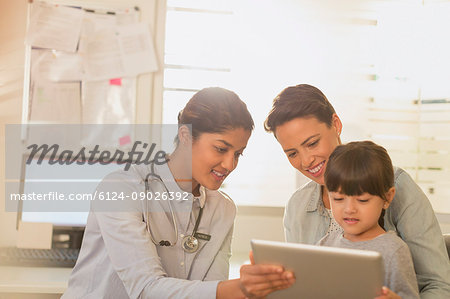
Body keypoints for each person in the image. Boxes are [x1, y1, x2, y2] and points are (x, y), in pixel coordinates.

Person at [63, 87, 294, 299]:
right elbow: (145, 289)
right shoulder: (121, 189)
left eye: (238, 154)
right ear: (185, 135)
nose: (230, 164)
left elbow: (212, 289)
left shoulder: (222, 209)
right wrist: (239, 288)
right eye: (221, 149)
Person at [264, 84, 450, 298]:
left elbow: (439, 285)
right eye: (292, 153)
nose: (306, 161)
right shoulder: (297, 206)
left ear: (336, 124)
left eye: (312, 143)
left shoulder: (397, 185)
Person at [318, 141, 419, 299]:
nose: (349, 209)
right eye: (338, 199)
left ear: (387, 198)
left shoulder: (393, 250)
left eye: (362, 200)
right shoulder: (325, 244)